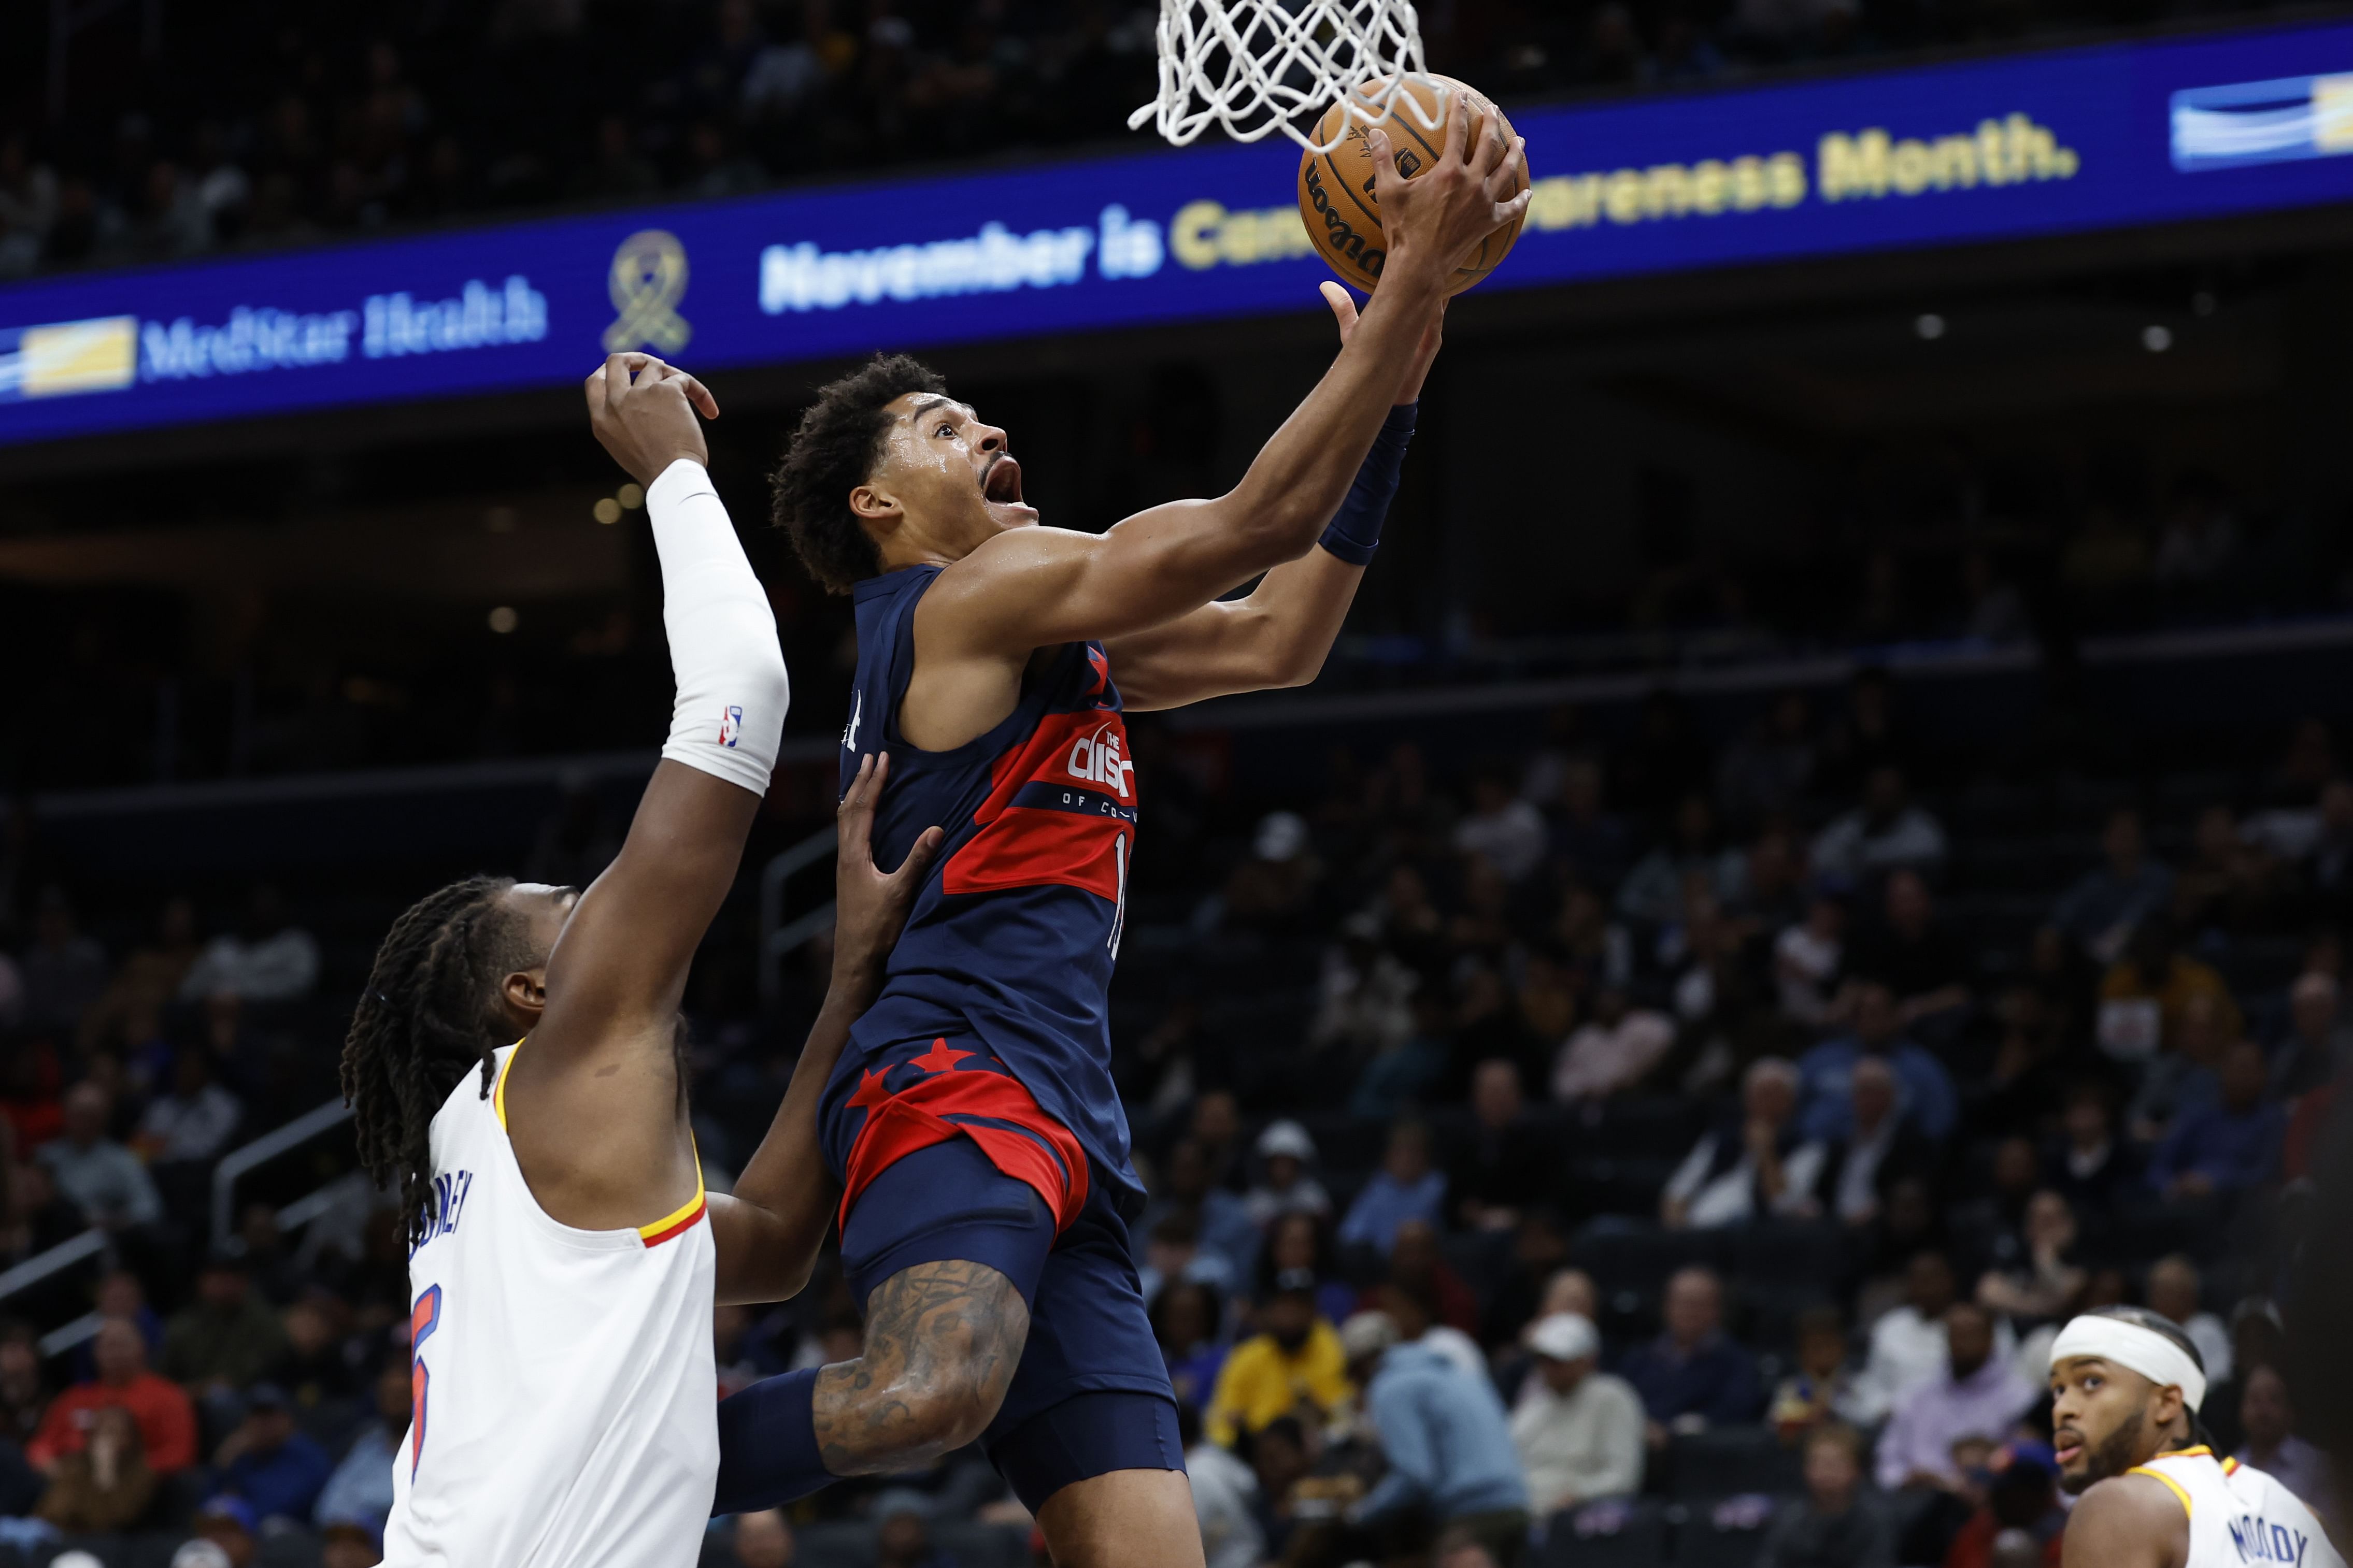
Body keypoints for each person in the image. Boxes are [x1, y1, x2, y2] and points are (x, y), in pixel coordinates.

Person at [712, 124, 1527, 1565]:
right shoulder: (966, 597)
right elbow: (1250, 522)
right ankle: (599, 1444)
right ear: (878, 505)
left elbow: (1280, 638)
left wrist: (1397, 389)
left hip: (1070, 1114)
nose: (983, 427)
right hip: (950, 1075)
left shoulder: (1044, 643)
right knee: (927, 1391)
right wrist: (1407, 285)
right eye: (939, 424)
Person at [352, 357, 939, 1568]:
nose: (609, 902)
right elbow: (740, 690)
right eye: (571, 903)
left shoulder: (505, 1171)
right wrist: (673, 470)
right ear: (530, 996)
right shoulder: (557, 1066)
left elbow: (772, 1244)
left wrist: (845, 982)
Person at [2049, 1305, 2341, 1567]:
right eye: (2059, 1390)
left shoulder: (2115, 1506)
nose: (2062, 1409)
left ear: (2167, 1403)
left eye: (2092, 1382)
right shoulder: (2303, 1516)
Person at [1338, 1312, 1531, 1567]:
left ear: (1362, 1363)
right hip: (1516, 1504)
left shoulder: (1390, 1385)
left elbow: (1415, 1475)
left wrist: (1360, 1514)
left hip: (1472, 1514)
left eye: (1353, 1373)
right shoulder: (1454, 1371)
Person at [1874, 1302, 2035, 1492]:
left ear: (1991, 1337)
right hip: (1915, 1501)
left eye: (1970, 1334)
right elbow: (1887, 1463)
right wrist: (1906, 1478)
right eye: (1955, 1334)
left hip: (1987, 1500)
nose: (1962, 1342)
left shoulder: (2021, 1396)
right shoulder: (1917, 1394)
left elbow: (2026, 1468)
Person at [1661, 1057, 1827, 1229]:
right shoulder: (1721, 1138)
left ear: (1791, 1101)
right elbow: (1676, 1193)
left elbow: (1784, 1205)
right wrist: (1680, 1236)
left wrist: (1765, 1152)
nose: (1766, 1102)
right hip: (1703, 1231)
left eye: (1774, 1094)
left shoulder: (1808, 1145)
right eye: (1760, 1094)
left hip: (1760, 1237)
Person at [1508, 1313, 1643, 1515]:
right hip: (1520, 1509)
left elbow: (1623, 1477)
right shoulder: (1534, 1405)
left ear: (1588, 1360)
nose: (1549, 1368)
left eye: (1559, 1360)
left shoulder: (1613, 1398)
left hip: (1576, 1517)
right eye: (1543, 1360)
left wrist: (1579, 1494)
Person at [27, 1317, 197, 1474]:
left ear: (142, 1347)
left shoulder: (167, 1396)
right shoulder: (75, 1398)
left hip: (138, 1488)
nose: (114, 1353)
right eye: (107, 1345)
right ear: (95, 1352)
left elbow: (180, 1455)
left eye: (122, 1344)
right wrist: (52, 1467)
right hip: (71, 1482)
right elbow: (40, 1447)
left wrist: (126, 1471)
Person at [1618, 1267, 1762, 1447]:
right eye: (1681, 1303)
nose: (1688, 1312)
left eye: (1697, 1304)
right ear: (1666, 1307)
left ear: (1717, 1310)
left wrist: (1676, 1428)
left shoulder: (1737, 1362)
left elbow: (1737, 1409)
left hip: (1701, 1454)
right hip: (1638, 1445)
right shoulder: (1640, 1357)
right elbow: (1622, 1400)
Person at [1202, 1280, 1351, 1448]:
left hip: (1313, 1449)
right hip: (1251, 1450)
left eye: (1298, 1307)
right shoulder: (1247, 1355)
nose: (1290, 1316)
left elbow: (1340, 1415)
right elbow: (1222, 1419)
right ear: (1268, 1312)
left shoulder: (1329, 1348)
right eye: (1283, 1307)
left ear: (1312, 1312)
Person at [1758, 1423, 1896, 1568]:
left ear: (1857, 1470)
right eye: (1818, 1463)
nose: (1826, 1472)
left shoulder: (1875, 1519)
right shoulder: (1790, 1517)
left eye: (1834, 1464)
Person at [37, 1083, 162, 1230]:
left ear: (103, 1119)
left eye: (90, 1116)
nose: (82, 1122)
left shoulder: (122, 1160)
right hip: (51, 1237)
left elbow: (150, 1208)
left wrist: (113, 1221)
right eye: (77, 1114)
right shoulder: (47, 1156)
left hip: (99, 1240)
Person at [313, 1363, 408, 1540]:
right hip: (354, 1539)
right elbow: (328, 1505)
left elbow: (403, 1506)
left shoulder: (428, 1446)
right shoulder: (370, 1443)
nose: (395, 1403)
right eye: (389, 1395)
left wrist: (362, 1514)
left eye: (402, 1395)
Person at [212, 1382, 330, 1526]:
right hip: (243, 1530)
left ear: (288, 1419)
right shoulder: (242, 1453)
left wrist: (236, 1505)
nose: (264, 1423)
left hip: (292, 1535)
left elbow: (278, 1508)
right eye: (257, 1415)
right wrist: (223, 1462)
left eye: (270, 1415)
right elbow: (207, 1504)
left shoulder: (308, 1456)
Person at [33, 1403, 154, 1533]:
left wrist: (105, 1472)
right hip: (62, 1538)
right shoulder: (76, 1463)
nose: (103, 1439)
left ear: (129, 1437)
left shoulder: (143, 1472)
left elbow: (116, 1520)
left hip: (112, 1545)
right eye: (98, 1431)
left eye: (112, 1432)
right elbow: (52, 1513)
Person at [2233, 1363, 2331, 1521]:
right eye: (2255, 1400)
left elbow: (2334, 1530)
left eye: (2274, 1400)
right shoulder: (2231, 1469)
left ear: (2291, 1411)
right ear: (2241, 1410)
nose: (2263, 1411)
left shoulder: (2316, 1466)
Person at [1338, 1121, 1447, 1259]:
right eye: (1400, 1152)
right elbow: (1350, 1234)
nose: (1406, 1160)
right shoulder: (1377, 1186)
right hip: (1382, 1264)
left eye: (1413, 1152)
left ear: (1426, 1157)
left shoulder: (1436, 1185)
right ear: (1388, 1156)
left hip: (1425, 1261)